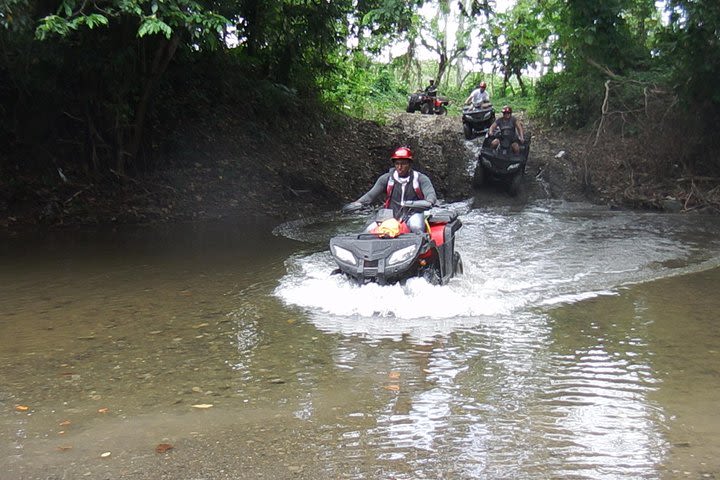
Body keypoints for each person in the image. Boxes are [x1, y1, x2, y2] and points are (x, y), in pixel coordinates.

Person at [346, 147, 437, 234]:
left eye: (403, 164)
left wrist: (412, 204)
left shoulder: (421, 179)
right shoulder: (386, 179)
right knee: (368, 230)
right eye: (397, 164)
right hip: (390, 216)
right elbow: (370, 196)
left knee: (416, 227)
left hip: (413, 214)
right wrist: (357, 204)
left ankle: (422, 246)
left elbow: (431, 199)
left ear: (410, 164)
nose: (400, 167)